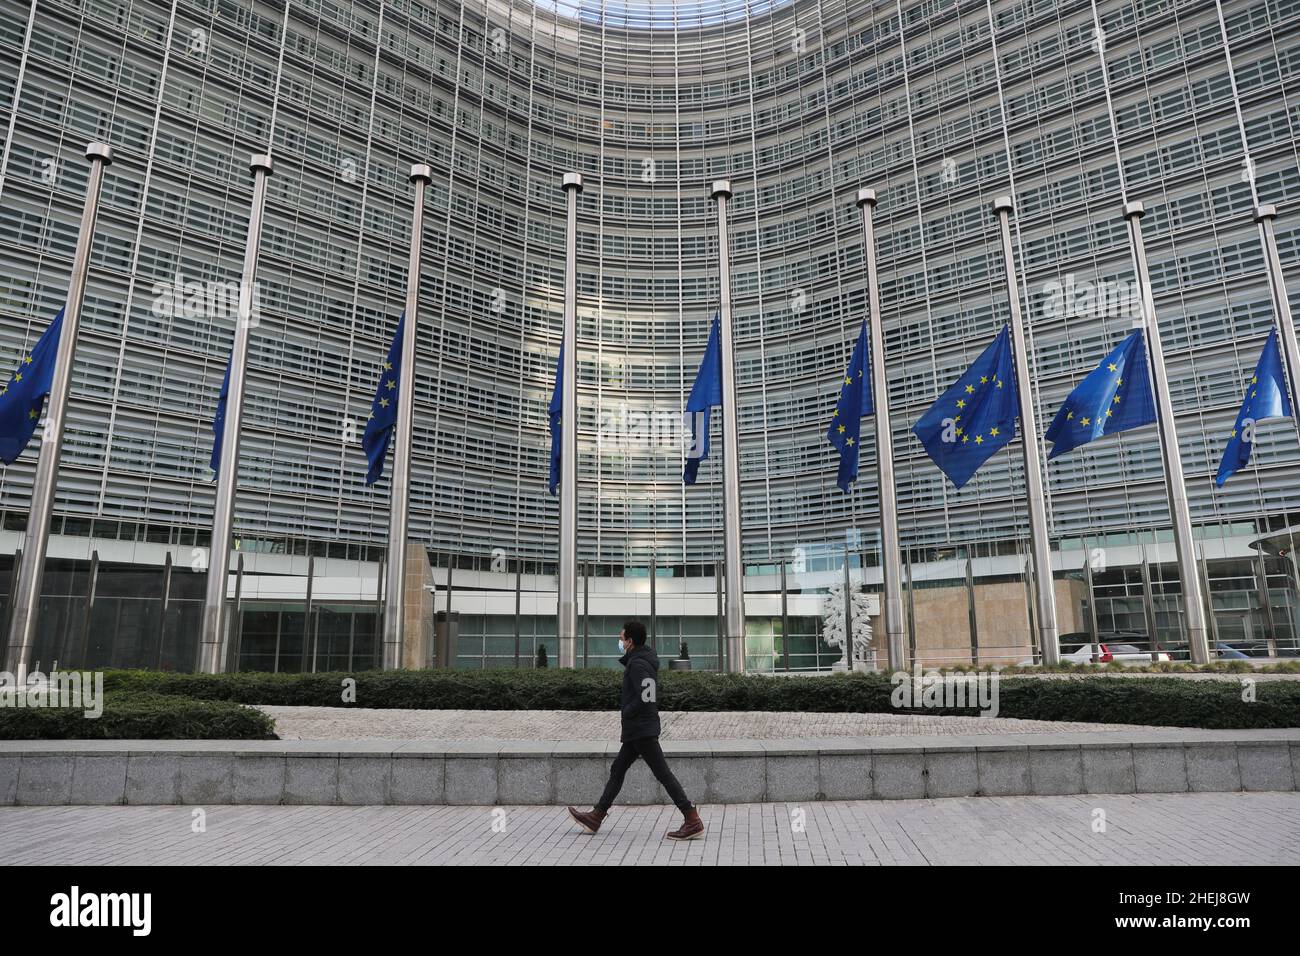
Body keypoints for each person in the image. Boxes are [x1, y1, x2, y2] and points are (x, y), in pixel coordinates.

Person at [567, 620, 704, 840]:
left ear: (630, 642)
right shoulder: (639, 659)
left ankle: (692, 819)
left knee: (663, 774)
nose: (620, 642)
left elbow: (648, 694)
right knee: (618, 769)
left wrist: (628, 712)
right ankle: (596, 816)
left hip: (641, 728)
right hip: (637, 729)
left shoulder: (639, 664)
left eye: (621, 639)